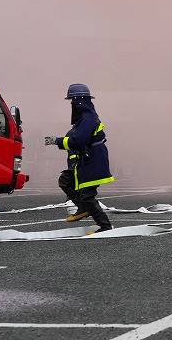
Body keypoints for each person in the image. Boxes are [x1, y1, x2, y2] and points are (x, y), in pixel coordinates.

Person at [46, 83, 114, 232]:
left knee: (88, 196)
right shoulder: (84, 119)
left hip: (93, 161)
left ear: (79, 101)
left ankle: (105, 226)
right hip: (86, 161)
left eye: (72, 100)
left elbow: (78, 141)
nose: (71, 104)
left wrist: (56, 141)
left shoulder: (88, 119)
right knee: (65, 180)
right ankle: (83, 208)